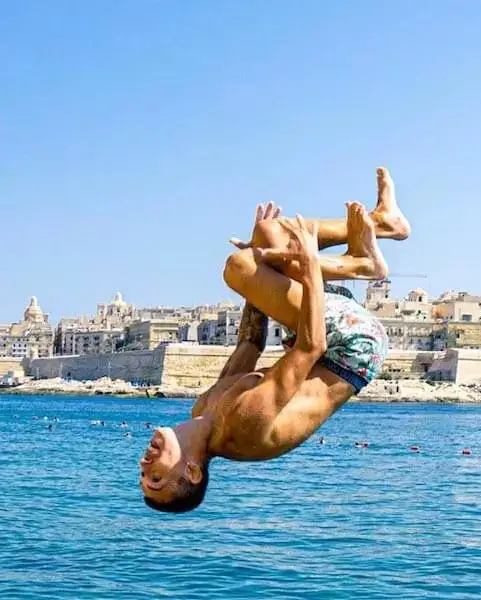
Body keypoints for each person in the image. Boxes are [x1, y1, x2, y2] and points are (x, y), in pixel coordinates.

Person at [140, 167, 408, 513]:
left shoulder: (203, 409)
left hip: (320, 334)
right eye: (157, 479)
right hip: (351, 347)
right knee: (239, 266)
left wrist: (262, 268)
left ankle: (383, 223)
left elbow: (250, 342)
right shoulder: (243, 425)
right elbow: (312, 348)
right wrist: (306, 267)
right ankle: (363, 264)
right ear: (191, 472)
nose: (145, 467)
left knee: (268, 233)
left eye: (143, 476)